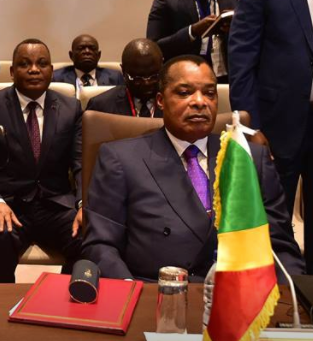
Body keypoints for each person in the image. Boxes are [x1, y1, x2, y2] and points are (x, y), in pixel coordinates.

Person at [82, 55, 305, 282]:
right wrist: (130, 293)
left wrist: (294, 300)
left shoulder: (249, 158)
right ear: (160, 100)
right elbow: (101, 245)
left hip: (239, 298)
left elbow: (281, 246)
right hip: (155, 295)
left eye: (209, 93)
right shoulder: (120, 159)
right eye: (184, 92)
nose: (200, 102)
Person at [229, 0, 313, 273]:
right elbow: (242, 58)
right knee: (272, 225)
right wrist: (250, 125)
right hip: (277, 126)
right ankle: (276, 301)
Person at [0, 39, 82, 282]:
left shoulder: (70, 108)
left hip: (56, 205)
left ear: (51, 71)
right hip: (8, 205)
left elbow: (80, 162)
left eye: (42, 64)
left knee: (88, 236)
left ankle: (68, 300)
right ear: (12, 72)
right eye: (25, 64)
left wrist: (84, 204)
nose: (34, 69)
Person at [86, 38, 164, 118]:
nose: (147, 83)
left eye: (154, 76)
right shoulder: (100, 106)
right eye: (137, 78)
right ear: (123, 71)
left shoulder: (175, 102)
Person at [52, 34, 123, 98]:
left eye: (92, 48)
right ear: (71, 55)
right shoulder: (56, 78)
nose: (87, 51)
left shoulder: (115, 77)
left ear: (99, 55)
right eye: (81, 48)